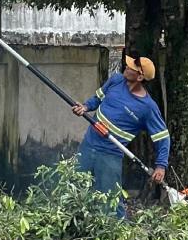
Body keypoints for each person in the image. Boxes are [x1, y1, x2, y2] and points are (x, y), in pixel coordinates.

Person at [73, 53, 170, 218]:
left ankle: (119, 233)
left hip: (110, 155)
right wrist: (85, 107)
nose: (127, 66)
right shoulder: (116, 80)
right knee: (73, 187)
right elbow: (97, 98)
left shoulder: (148, 107)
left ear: (140, 77)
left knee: (110, 199)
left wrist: (161, 166)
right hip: (88, 145)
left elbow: (163, 138)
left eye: (132, 67)